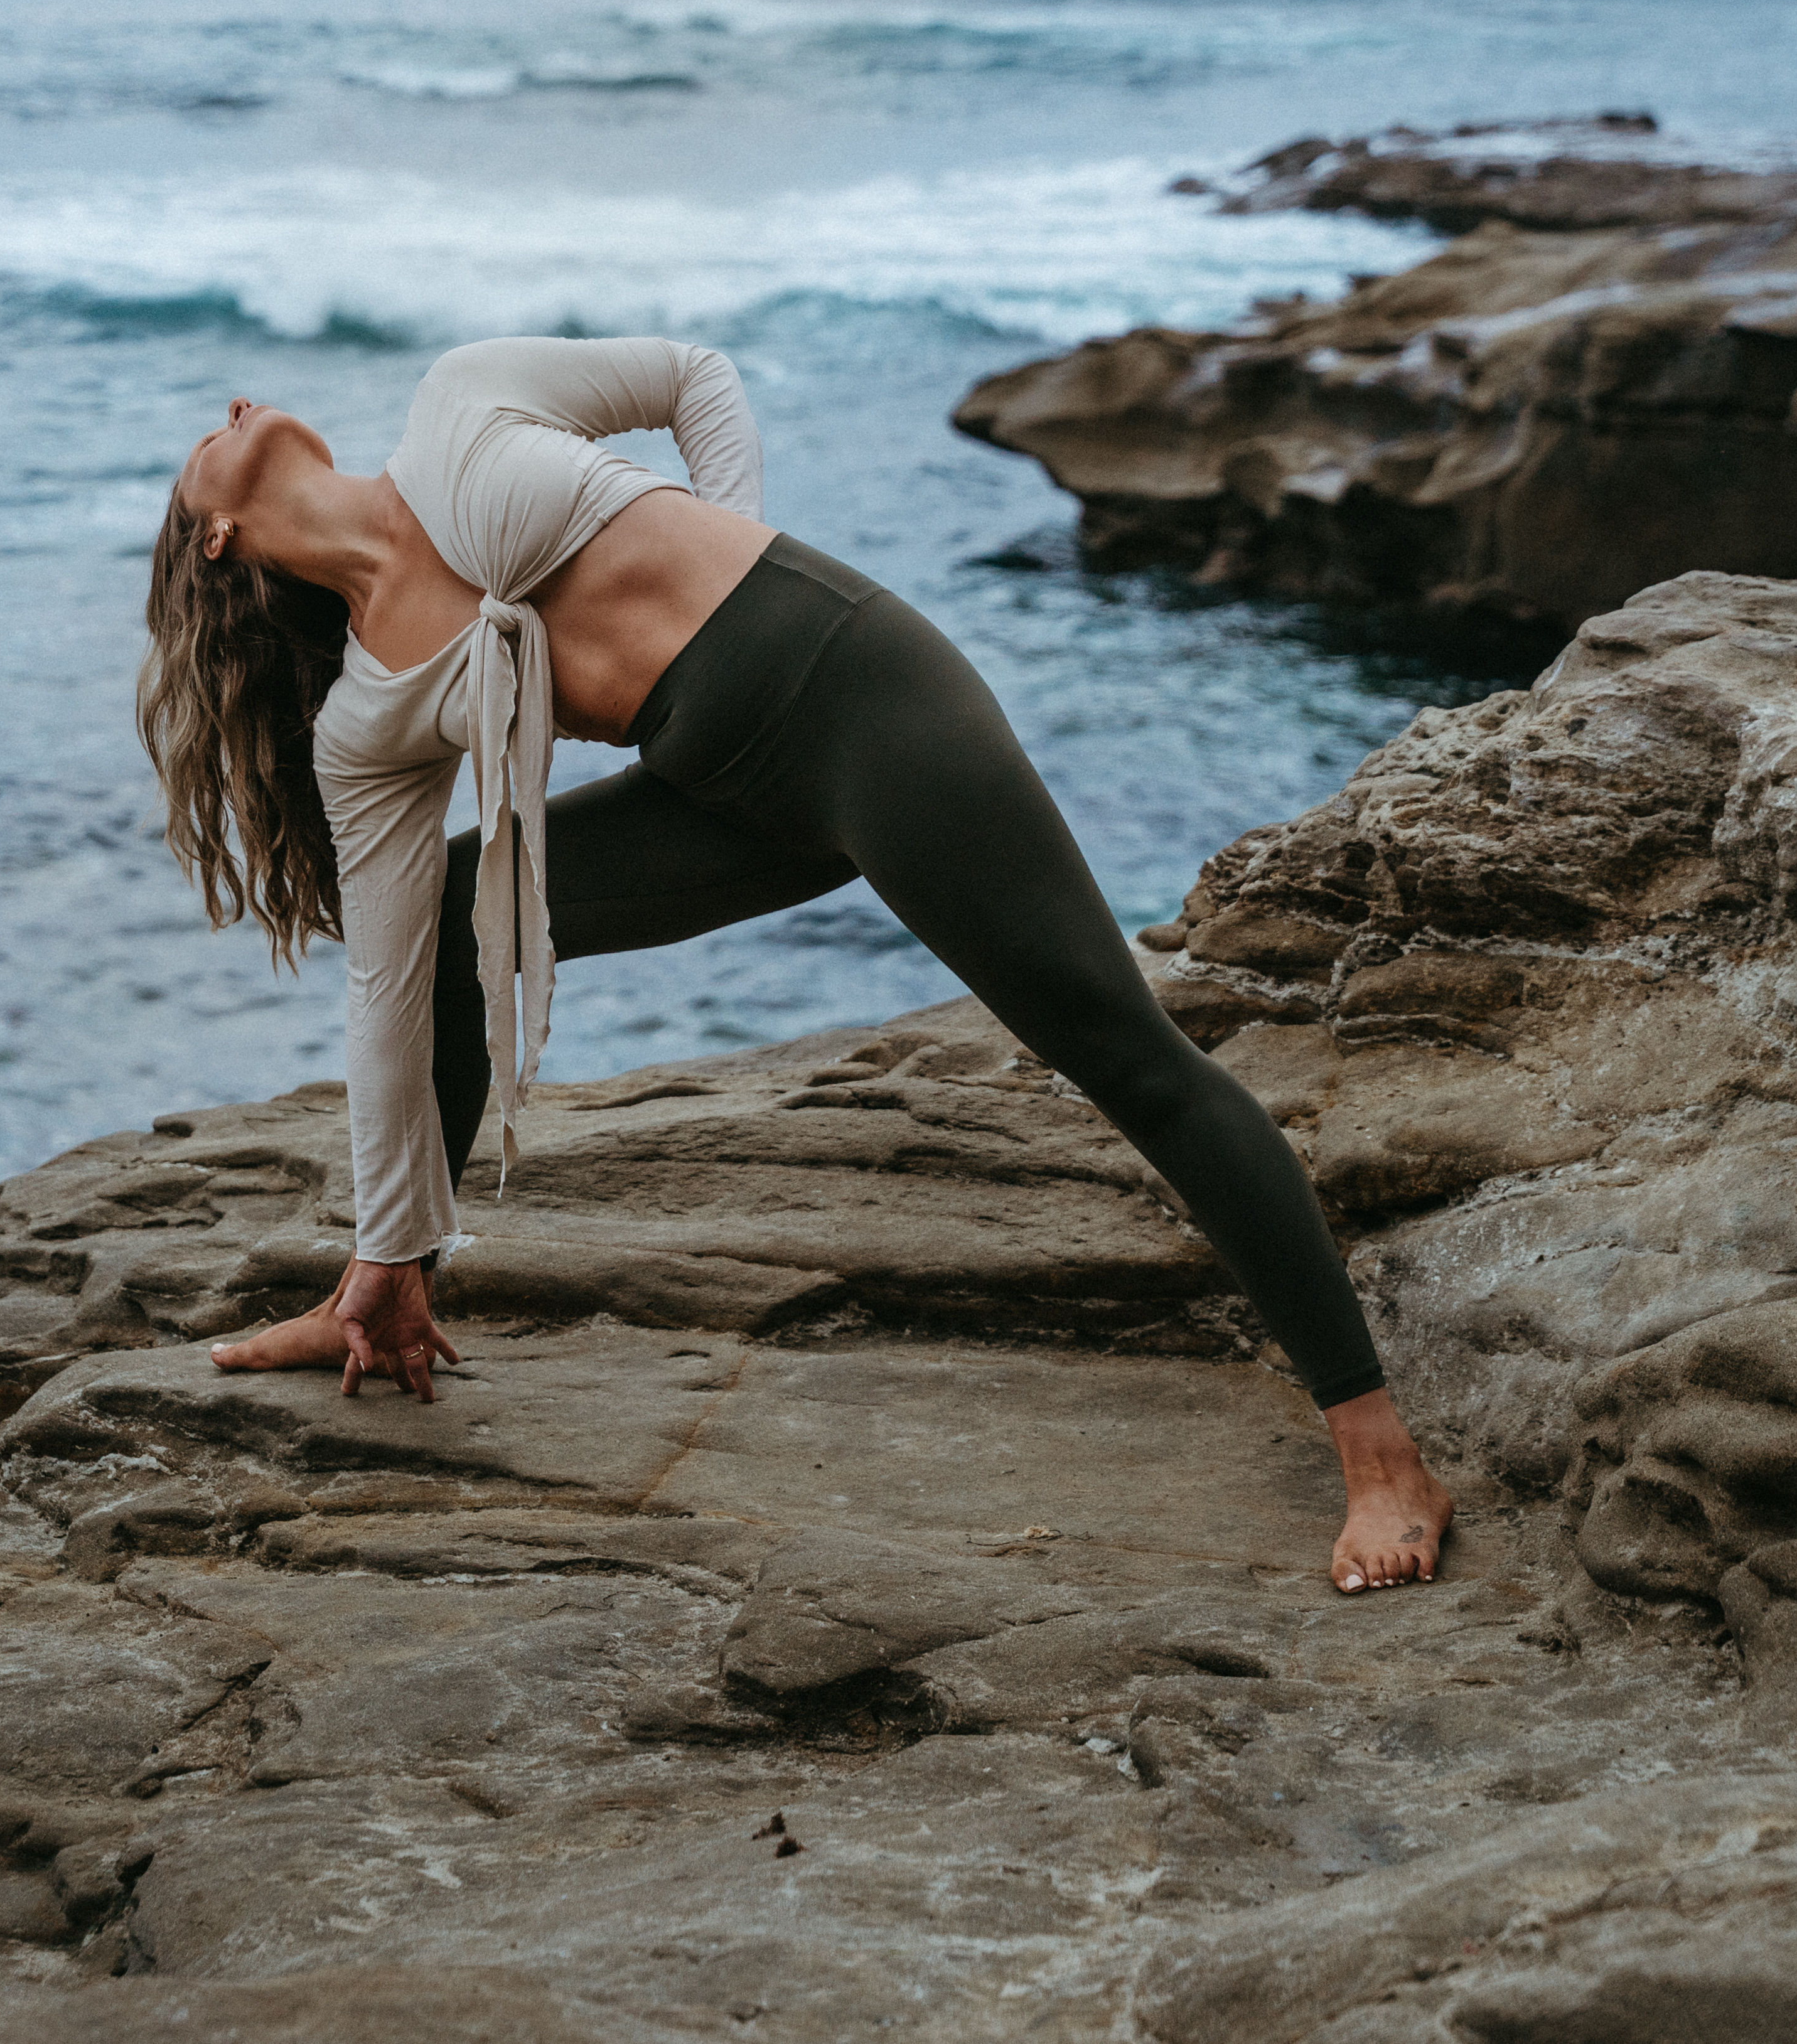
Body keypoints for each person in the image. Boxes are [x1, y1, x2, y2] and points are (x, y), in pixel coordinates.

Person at [139, 335, 1453, 1596]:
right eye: (207, 433)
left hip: (855, 694)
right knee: (438, 940)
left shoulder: (460, 403)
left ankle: (1382, 1452)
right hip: (716, 783)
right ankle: (395, 1288)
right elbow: (386, 981)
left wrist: (737, 548)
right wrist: (379, 1240)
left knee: (1120, 1051)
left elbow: (687, 374)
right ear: (217, 536)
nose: (240, 400)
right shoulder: (370, 717)